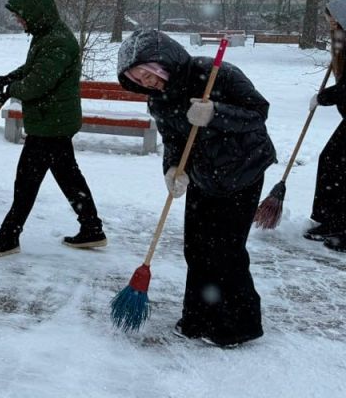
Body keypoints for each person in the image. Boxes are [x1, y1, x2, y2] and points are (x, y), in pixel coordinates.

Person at [117, 28, 276, 348]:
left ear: (162, 62)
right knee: (197, 247)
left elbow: (258, 114)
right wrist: (173, 168)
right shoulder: (159, 100)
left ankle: (240, 324)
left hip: (242, 171)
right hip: (203, 175)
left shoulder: (217, 74)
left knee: (226, 251)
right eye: (139, 80)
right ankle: (199, 316)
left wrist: (215, 114)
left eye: (148, 74)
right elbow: (173, 139)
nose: (147, 83)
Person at [0, 0, 107, 256]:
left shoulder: (58, 40)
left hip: (52, 124)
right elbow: (32, 69)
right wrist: (11, 77)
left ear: (36, 13)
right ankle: (91, 228)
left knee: (27, 180)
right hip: (51, 121)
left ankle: (9, 236)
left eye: (21, 15)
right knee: (68, 176)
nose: (18, 20)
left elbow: (38, 83)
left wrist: (12, 89)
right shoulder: (46, 35)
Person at [306, 0, 346, 251]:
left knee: (337, 164)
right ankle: (331, 219)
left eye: (333, 17)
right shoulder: (342, 42)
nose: (329, 22)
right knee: (332, 162)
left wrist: (323, 97)